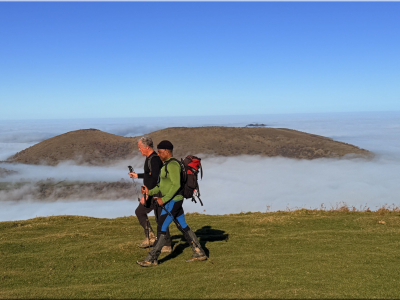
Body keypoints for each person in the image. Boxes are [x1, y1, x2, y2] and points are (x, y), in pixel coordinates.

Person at [136, 140, 207, 267]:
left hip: (174, 201)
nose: (158, 154)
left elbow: (176, 185)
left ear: (167, 151)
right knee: (183, 226)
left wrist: (164, 199)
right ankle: (199, 253)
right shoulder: (166, 164)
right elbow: (161, 186)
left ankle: (152, 259)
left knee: (162, 226)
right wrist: (149, 191)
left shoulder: (173, 165)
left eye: (160, 152)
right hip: (173, 201)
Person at [129, 137, 172, 253]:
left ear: (147, 147)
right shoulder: (151, 158)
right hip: (154, 193)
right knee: (156, 217)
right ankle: (155, 238)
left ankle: (165, 244)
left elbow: (156, 178)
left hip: (156, 194)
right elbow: (150, 174)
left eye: (140, 147)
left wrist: (148, 195)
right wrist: (137, 176)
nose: (139, 150)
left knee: (152, 215)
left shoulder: (154, 159)